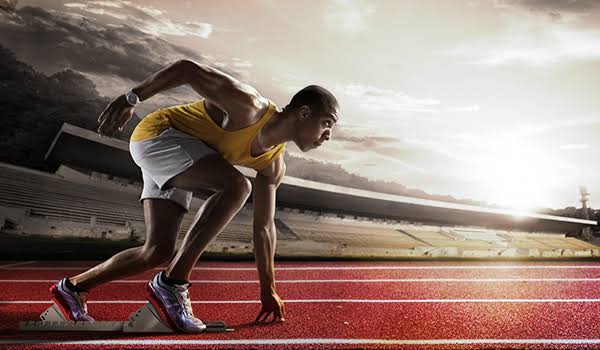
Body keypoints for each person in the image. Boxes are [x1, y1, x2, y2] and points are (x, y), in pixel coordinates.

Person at [48, 59, 340, 333]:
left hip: (187, 158)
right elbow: (187, 69)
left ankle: (72, 289)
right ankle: (172, 283)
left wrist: (269, 289)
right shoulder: (248, 106)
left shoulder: (273, 165)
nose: (329, 134)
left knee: (157, 251)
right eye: (328, 123)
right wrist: (131, 98)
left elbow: (264, 228)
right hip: (159, 136)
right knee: (238, 186)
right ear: (303, 113)